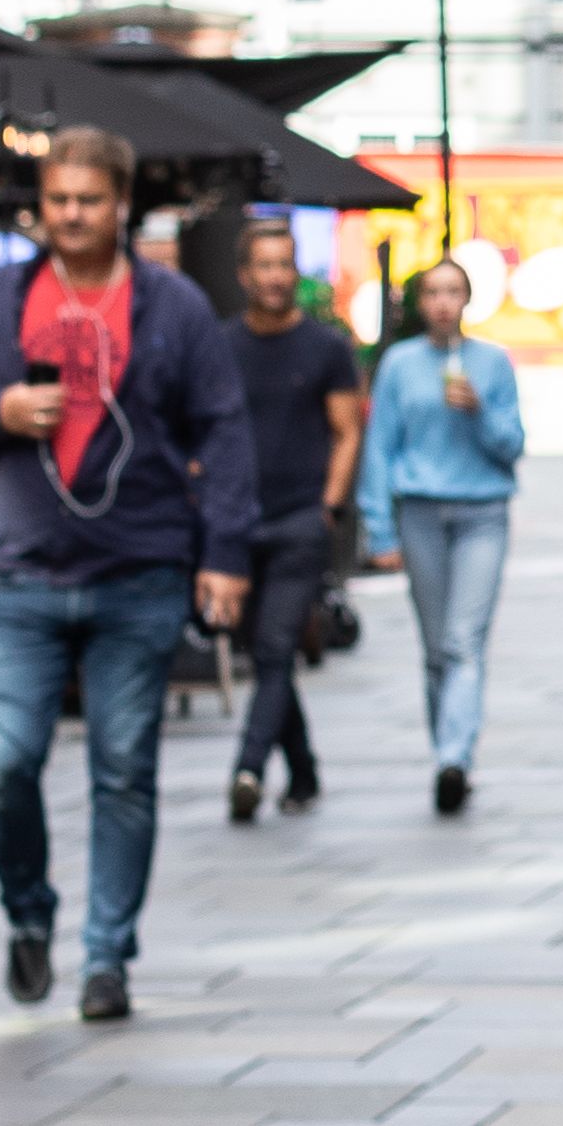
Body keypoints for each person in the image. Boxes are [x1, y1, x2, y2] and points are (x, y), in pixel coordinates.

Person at [0, 127, 256, 1025]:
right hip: (16, 573)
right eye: (58, 199)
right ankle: (30, 914)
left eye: (89, 200)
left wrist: (224, 555)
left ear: (121, 204)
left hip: (136, 570)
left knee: (122, 771)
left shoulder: (171, 306)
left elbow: (222, 430)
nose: (71, 215)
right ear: (41, 203)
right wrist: (0, 408)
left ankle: (107, 958)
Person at [358, 256, 524, 815]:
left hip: (482, 513)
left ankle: (456, 758)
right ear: (421, 302)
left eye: (454, 291)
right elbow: (379, 448)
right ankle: (445, 752)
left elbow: (513, 444)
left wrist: (479, 410)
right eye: (433, 292)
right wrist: (379, 529)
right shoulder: (400, 364)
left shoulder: (492, 363)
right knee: (435, 650)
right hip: (421, 513)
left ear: (468, 299)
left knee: (462, 642)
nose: (443, 302)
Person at [224, 212, 363, 823]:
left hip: (302, 521)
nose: (277, 276)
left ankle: (248, 768)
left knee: (277, 645)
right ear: (244, 275)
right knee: (266, 651)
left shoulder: (325, 346)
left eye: (286, 264)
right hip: (237, 523)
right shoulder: (223, 346)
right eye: (266, 266)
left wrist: (329, 506)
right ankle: (302, 769)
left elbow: (347, 431)